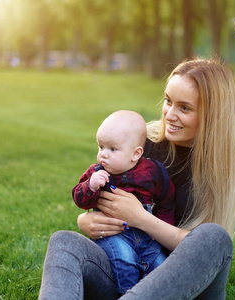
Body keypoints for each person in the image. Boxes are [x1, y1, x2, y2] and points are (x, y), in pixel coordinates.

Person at [39, 58, 235, 300]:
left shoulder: (231, 162)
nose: (170, 115)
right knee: (64, 242)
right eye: (168, 101)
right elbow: (95, 187)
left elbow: (201, 250)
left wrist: (141, 218)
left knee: (214, 237)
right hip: (124, 270)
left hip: (187, 284)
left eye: (184, 108)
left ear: (212, 115)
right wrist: (86, 222)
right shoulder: (144, 142)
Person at [72, 110, 176, 294]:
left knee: (159, 263)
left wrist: (162, 228)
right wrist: (91, 186)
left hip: (147, 236)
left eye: (112, 149)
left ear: (135, 154)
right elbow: (79, 198)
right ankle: (127, 293)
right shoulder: (96, 173)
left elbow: (166, 199)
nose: (103, 154)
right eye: (100, 147)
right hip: (113, 234)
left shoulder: (152, 172)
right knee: (124, 259)